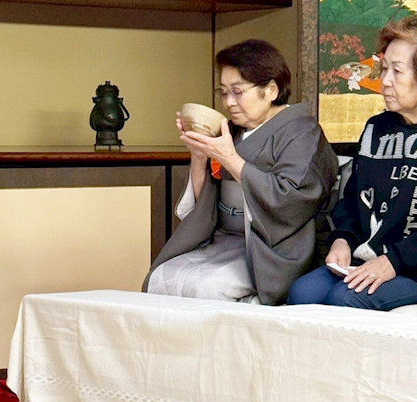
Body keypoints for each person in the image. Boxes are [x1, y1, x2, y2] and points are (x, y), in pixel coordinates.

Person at [142, 39, 338, 305]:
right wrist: (198, 155)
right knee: (161, 277)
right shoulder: (232, 130)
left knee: (208, 288)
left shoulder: (302, 131)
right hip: (223, 239)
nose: (228, 102)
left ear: (271, 90)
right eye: (223, 92)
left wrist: (230, 159)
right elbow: (205, 202)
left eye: (237, 92)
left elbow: (292, 201)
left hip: (268, 249)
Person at [288, 16, 417, 310]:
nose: (385, 81)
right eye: (385, 69)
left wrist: (394, 261)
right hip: (368, 258)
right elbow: (352, 200)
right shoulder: (376, 128)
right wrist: (343, 240)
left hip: (409, 267)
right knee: (302, 293)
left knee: (343, 299)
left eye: (397, 71)